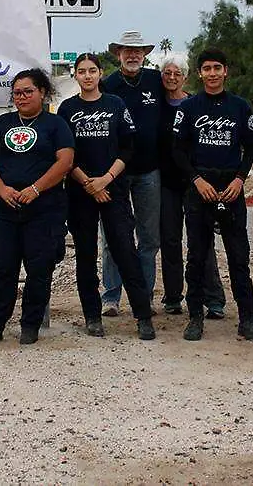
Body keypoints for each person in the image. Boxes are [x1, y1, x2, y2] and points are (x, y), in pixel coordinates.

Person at [58, 54, 157, 340]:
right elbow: (65, 153)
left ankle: (143, 316)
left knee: (125, 250)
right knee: (86, 255)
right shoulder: (67, 109)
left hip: (113, 189)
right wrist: (88, 183)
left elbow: (127, 148)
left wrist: (105, 180)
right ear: (75, 75)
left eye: (92, 70)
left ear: (101, 73)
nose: (87, 76)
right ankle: (92, 316)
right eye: (81, 71)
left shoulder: (115, 105)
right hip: (80, 191)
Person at [0, 69, 75, 345]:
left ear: (42, 92)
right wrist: (0, 188)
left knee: (40, 270)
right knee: (0, 269)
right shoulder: (2, 123)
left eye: (28, 91)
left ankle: (30, 325)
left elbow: (65, 161)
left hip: (44, 210)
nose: (21, 97)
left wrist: (36, 189)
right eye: (17, 92)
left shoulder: (55, 125)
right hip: (6, 210)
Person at [173, 48, 253, 342]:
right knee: (197, 256)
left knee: (239, 256)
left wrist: (240, 179)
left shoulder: (240, 107)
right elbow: (178, 149)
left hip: (230, 186)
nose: (212, 73)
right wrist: (196, 180)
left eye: (217, 68)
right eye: (206, 68)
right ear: (199, 73)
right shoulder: (188, 108)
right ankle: (195, 317)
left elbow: (251, 148)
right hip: (200, 186)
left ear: (226, 71)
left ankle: (247, 320)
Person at [157, 55, 228, 318]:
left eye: (177, 73)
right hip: (165, 181)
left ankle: (213, 298)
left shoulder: (195, 104)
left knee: (202, 241)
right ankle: (173, 296)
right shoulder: (156, 105)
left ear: (186, 77)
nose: (172, 78)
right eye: (167, 73)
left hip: (197, 181)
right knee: (170, 240)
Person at [99, 30, 163, 316]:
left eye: (138, 50)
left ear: (145, 54)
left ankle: (144, 294)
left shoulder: (156, 81)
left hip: (150, 171)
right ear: (118, 54)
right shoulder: (108, 85)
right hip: (116, 174)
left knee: (149, 238)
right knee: (114, 236)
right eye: (127, 50)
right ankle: (111, 296)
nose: (133, 55)